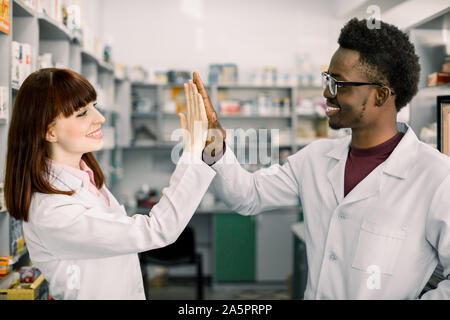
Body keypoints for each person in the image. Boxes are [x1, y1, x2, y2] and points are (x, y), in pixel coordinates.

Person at [193, 18, 450, 299]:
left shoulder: (436, 177)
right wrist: (213, 145)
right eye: (328, 79)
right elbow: (248, 196)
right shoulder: (315, 158)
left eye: (339, 83)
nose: (327, 92)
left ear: (380, 95)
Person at [3, 69, 214, 300]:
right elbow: (155, 230)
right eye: (83, 113)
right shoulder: (51, 210)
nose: (100, 118)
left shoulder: (86, 178)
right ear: (49, 131)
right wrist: (193, 153)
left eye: (94, 106)